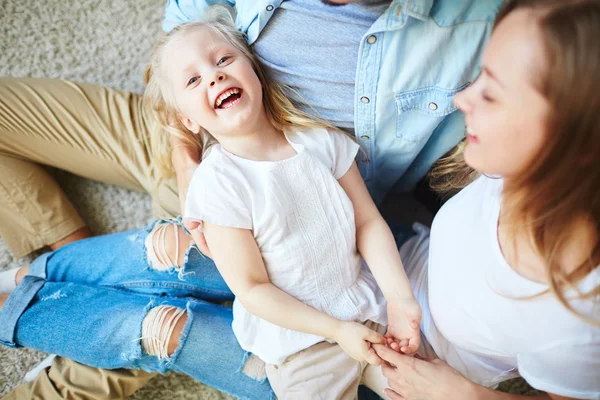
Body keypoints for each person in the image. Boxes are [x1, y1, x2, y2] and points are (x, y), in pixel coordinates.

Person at [0, 0, 501, 398]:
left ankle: (43, 290)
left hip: (306, 233)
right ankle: (56, 269)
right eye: (198, 78)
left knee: (163, 322)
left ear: (256, 70)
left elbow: (366, 222)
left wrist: (397, 300)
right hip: (197, 160)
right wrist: (186, 158)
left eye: (224, 62)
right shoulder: (209, 158)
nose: (215, 75)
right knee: (158, 297)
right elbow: (182, 38)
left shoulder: (476, 24)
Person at [369, 0, 599, 399]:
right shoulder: (507, 166)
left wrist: (461, 394)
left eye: (491, 94)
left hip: (414, 365)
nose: (461, 99)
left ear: (572, 141)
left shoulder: (580, 318)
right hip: (397, 261)